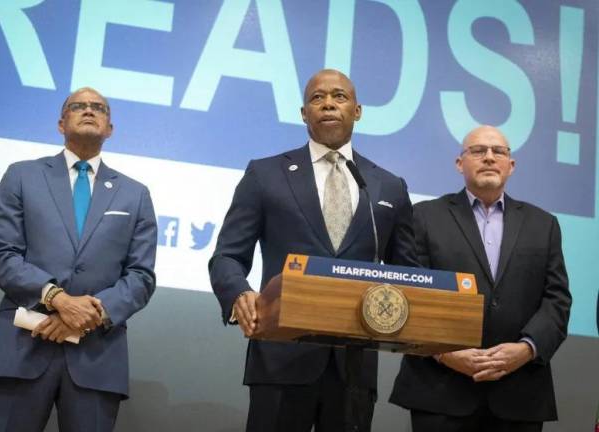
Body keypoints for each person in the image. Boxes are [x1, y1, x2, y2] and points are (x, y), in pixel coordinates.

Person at [209, 69, 418, 431]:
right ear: (304, 113)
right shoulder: (265, 174)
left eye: (339, 96)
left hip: (355, 366)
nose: (328, 104)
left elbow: (409, 273)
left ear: (357, 110)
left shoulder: (388, 187)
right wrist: (238, 293)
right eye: (317, 98)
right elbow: (228, 254)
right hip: (280, 360)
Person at [0, 87, 158, 431]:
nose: (89, 110)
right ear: (61, 124)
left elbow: (141, 276)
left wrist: (85, 315)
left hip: (97, 356)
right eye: (78, 106)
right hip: (21, 346)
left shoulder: (135, 194)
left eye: (99, 108)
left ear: (110, 128)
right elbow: (1, 252)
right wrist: (56, 298)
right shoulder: (21, 175)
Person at [389, 125, 572, 432]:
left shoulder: (544, 225)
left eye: (498, 151)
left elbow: (557, 300)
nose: (489, 157)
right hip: (440, 391)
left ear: (510, 166)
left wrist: (527, 348)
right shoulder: (423, 216)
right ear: (460, 163)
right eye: (478, 151)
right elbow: (409, 293)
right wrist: (444, 353)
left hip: (519, 394)